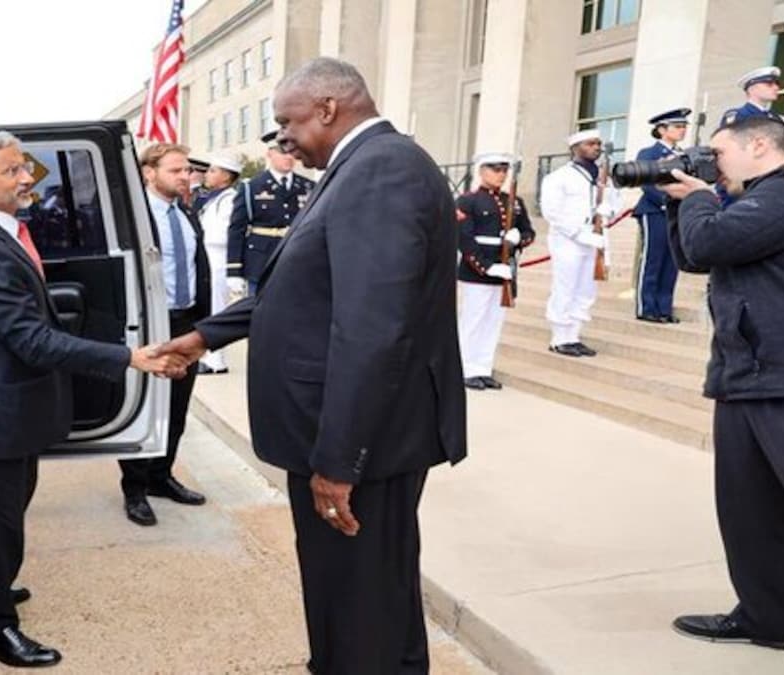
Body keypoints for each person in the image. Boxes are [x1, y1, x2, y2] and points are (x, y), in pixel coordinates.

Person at [157, 57, 467, 674]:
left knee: (355, 600)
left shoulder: (381, 171)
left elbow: (372, 327)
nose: (282, 139)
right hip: (353, 431)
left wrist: (338, 459)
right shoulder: (360, 166)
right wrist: (204, 338)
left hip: (361, 440)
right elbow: (302, 289)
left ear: (328, 107)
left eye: (287, 122)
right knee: (371, 590)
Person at [0, 129, 183, 667]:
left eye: (25, 168)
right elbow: (31, 340)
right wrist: (128, 357)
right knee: (2, 524)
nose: (26, 179)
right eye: (12, 171)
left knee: (1, 510)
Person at [660, 116, 784, 651]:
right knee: (748, 512)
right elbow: (694, 255)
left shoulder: (780, 196)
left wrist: (697, 197)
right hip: (743, 376)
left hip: (779, 379)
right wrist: (678, 202)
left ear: (759, 145)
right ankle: (765, 617)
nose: (713, 164)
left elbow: (712, 238)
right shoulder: (748, 200)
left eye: (718, 152)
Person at [117, 143, 213, 527]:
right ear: (148, 173)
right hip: (150, 324)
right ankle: (135, 489)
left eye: (187, 170)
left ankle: (161, 477)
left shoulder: (186, 213)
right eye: (176, 170)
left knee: (176, 408)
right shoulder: (134, 218)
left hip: (186, 323)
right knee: (148, 408)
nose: (185, 177)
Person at [456, 153, 535, 391]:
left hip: (505, 271)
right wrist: (488, 267)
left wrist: (519, 238)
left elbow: (529, 232)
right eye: (495, 169)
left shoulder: (515, 201)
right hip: (477, 271)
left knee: (493, 322)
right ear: (481, 171)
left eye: (504, 170)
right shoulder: (467, 201)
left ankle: (482, 367)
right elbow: (465, 240)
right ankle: (465, 368)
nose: (501, 174)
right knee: (473, 321)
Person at [540, 129, 622, 358]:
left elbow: (616, 202)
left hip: (596, 237)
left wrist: (609, 211)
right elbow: (552, 212)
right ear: (575, 148)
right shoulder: (559, 177)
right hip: (568, 240)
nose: (596, 147)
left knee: (586, 290)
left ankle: (573, 335)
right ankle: (559, 337)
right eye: (590, 144)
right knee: (565, 288)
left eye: (598, 143)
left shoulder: (604, 177)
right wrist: (578, 233)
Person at [227, 129, 315, 296]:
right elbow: (236, 229)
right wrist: (234, 271)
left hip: (298, 260)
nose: (288, 157)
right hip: (261, 261)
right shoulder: (251, 187)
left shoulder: (308, 186)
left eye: (292, 152)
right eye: (283, 152)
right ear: (270, 154)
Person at [633, 108, 691, 323]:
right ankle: (646, 306)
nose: (682, 130)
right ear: (662, 129)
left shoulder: (683, 155)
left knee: (672, 261)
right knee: (653, 259)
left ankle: (664, 308)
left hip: (678, 212)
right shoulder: (649, 153)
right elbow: (646, 183)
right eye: (677, 127)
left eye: (684, 127)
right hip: (654, 210)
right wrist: (666, 202)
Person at [197, 151, 242, 375]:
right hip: (209, 255)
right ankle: (211, 356)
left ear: (226, 176)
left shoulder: (230, 198)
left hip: (220, 256)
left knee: (217, 308)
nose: (207, 174)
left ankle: (217, 360)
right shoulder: (215, 197)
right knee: (210, 306)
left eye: (213, 171)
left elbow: (226, 233)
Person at [720, 67, 784, 126]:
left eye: (777, 84)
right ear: (751, 89)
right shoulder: (738, 115)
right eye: (769, 84)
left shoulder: (775, 117)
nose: (776, 87)